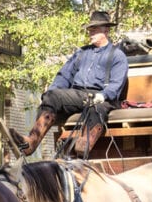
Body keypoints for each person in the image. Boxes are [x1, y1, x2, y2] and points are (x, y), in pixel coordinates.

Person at [8, 10, 128, 158]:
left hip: (101, 98)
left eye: (94, 30)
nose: (91, 33)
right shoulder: (81, 53)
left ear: (106, 30)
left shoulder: (117, 56)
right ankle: (31, 142)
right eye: (89, 30)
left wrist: (102, 95)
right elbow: (64, 76)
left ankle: (83, 146)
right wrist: (50, 94)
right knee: (52, 96)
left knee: (96, 109)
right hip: (77, 95)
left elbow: (116, 85)